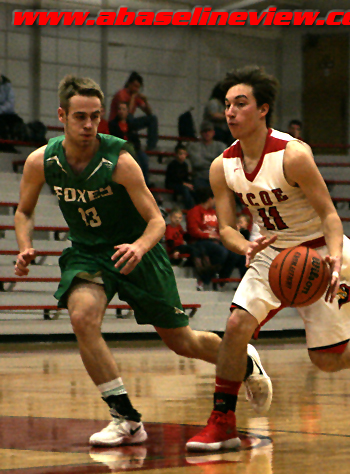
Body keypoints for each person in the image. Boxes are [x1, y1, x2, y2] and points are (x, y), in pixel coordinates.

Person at [14, 74, 269, 448]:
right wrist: (24, 246)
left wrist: (138, 247)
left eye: (95, 116)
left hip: (139, 251)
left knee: (182, 342)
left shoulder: (119, 161)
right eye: (80, 116)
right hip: (88, 253)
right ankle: (126, 419)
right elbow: (24, 211)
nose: (89, 125)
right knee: (82, 317)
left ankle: (243, 362)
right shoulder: (42, 161)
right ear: (62, 116)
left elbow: (157, 221)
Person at [186, 65, 350, 451]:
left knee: (327, 359)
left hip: (320, 253)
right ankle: (222, 422)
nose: (230, 112)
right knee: (235, 326)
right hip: (270, 252)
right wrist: (244, 247)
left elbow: (330, 215)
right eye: (227, 105)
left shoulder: (293, 155)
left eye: (240, 103)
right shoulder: (223, 166)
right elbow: (227, 228)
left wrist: (336, 257)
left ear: (263, 109)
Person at [186, 188, 243, 290]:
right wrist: (209, 236)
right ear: (210, 199)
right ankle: (205, 278)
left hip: (215, 240)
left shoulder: (214, 212)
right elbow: (193, 231)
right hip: (201, 241)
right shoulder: (194, 211)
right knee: (221, 252)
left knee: (235, 253)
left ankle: (221, 281)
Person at [109, 71, 158, 151]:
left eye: (138, 87)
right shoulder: (122, 94)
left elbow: (149, 112)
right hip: (117, 122)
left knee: (153, 119)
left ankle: (151, 146)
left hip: (129, 122)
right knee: (130, 117)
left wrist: (145, 101)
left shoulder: (135, 95)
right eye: (135, 86)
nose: (136, 89)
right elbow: (127, 112)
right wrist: (133, 97)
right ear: (129, 84)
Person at [108, 101, 149, 186]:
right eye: (119, 109)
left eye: (123, 109)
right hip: (120, 149)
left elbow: (136, 139)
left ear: (127, 111)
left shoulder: (131, 124)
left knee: (144, 158)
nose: (121, 111)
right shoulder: (113, 124)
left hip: (133, 148)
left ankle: (144, 183)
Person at [187, 121, 226, 195]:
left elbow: (223, 163)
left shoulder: (221, 146)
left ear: (213, 132)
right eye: (205, 131)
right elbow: (197, 163)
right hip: (200, 177)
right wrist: (213, 161)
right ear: (201, 133)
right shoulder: (194, 146)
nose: (207, 133)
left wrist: (205, 160)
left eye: (209, 131)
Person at [165, 143, 195, 210]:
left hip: (181, 183)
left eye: (184, 154)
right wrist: (185, 184)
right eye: (181, 154)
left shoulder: (185, 165)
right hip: (172, 183)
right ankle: (190, 208)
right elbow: (174, 178)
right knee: (185, 189)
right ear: (176, 154)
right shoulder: (172, 165)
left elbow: (185, 177)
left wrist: (189, 183)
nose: (182, 156)